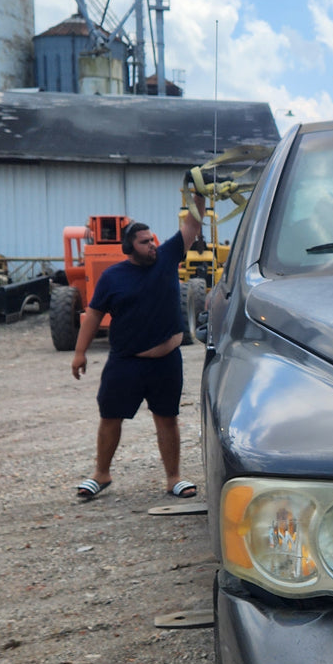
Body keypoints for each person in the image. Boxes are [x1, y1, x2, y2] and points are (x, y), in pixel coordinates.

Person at [71, 193, 206, 501]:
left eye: (152, 239)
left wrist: (198, 196)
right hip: (126, 361)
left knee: (167, 418)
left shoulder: (169, 256)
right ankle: (101, 474)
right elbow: (93, 314)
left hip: (166, 360)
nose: (152, 245)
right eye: (144, 242)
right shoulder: (112, 276)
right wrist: (80, 352)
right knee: (110, 417)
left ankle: (173, 478)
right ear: (130, 247)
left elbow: (191, 225)